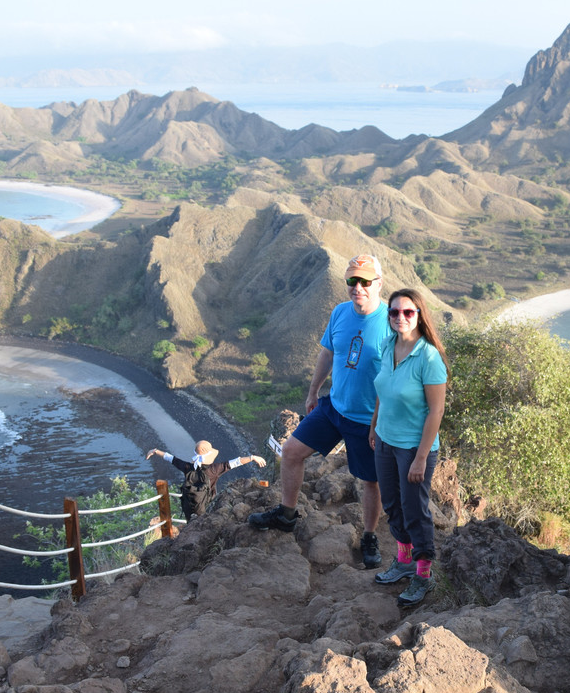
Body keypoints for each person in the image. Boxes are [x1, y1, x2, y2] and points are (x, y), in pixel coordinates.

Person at [248, 253, 391, 569]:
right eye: (352, 280)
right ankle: (286, 513)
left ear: (379, 283)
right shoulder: (340, 312)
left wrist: (384, 421)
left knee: (369, 481)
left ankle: (369, 536)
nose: (358, 287)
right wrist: (313, 391)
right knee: (291, 452)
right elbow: (328, 353)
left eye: (365, 281)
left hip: (367, 418)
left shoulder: (391, 322)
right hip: (334, 407)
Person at [369, 288, 448, 607]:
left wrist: (419, 458)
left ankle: (424, 574)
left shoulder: (428, 357)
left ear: (419, 315)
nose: (400, 317)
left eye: (408, 312)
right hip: (385, 442)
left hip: (415, 449)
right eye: (394, 312)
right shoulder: (388, 345)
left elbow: (436, 411)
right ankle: (403, 562)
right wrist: (374, 425)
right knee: (392, 505)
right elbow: (382, 389)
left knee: (415, 510)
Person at [146, 440, 266, 520]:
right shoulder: (214, 469)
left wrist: (155, 451)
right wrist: (252, 457)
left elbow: (171, 458)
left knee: (190, 528)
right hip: (206, 506)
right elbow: (235, 462)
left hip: (189, 506)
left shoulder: (187, 467)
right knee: (204, 528)